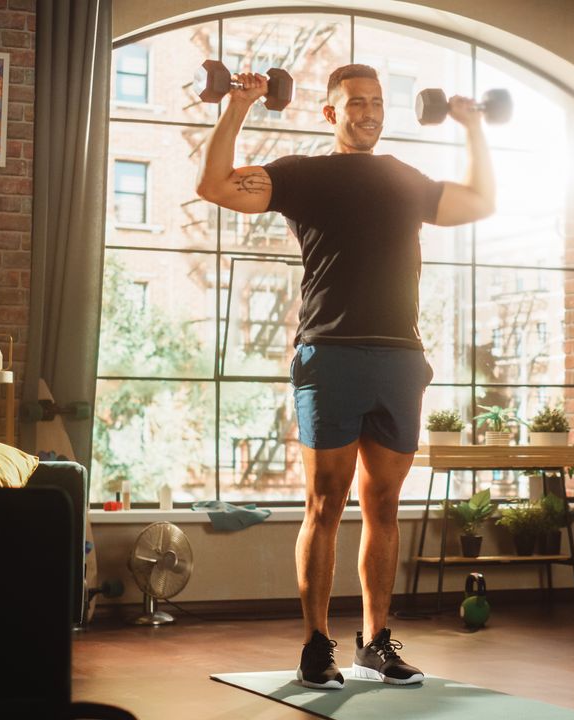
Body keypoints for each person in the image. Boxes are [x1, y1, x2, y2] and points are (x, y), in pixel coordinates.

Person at [196, 64, 495, 689]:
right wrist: (241, 104)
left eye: (378, 103)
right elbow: (216, 186)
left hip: (398, 356)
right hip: (329, 353)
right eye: (357, 102)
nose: (370, 112)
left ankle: (376, 642)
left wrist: (472, 127)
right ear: (331, 114)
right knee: (325, 502)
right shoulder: (305, 175)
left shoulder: (404, 179)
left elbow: (480, 201)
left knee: (383, 504)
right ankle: (314, 645)